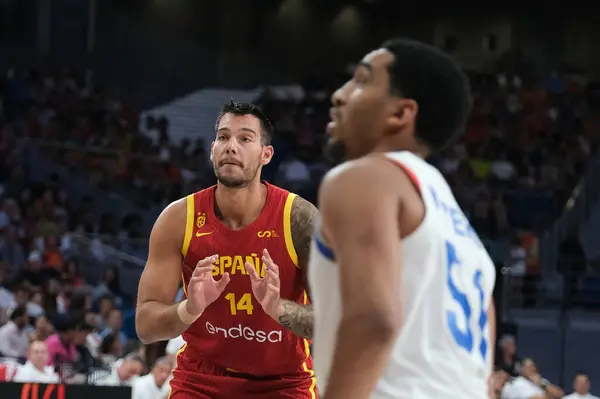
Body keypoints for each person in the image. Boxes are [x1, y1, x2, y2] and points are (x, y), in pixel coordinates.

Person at [308, 38, 496, 399]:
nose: (339, 95)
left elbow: (374, 319)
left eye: (361, 81)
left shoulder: (364, 177)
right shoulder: (458, 224)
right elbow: (482, 375)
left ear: (400, 114)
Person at [136, 101, 318, 399]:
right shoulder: (178, 219)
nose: (231, 146)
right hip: (200, 380)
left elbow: (333, 321)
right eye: (223, 137)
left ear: (266, 154)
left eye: (245, 138)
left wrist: (277, 307)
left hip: (282, 382)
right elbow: (145, 327)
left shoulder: (299, 218)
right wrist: (189, 308)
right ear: (212, 150)